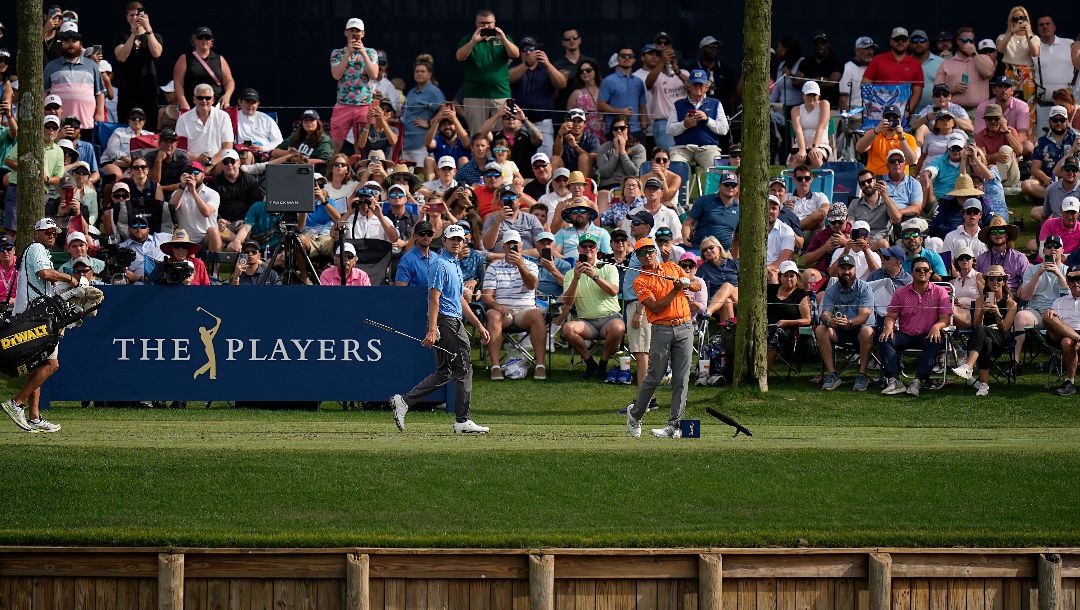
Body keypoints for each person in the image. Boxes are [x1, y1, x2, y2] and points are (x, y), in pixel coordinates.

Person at [391, 224, 491, 434]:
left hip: (452, 321)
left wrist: (479, 325)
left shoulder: (454, 264)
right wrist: (432, 328)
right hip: (447, 323)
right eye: (452, 239)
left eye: (460, 239)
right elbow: (433, 298)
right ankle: (462, 420)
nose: (456, 242)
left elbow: (460, 301)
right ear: (444, 241)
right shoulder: (439, 264)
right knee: (463, 369)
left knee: (445, 372)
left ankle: (404, 401)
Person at [626, 237, 702, 439]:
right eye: (642, 253)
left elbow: (697, 286)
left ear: (656, 252)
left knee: (682, 378)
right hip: (661, 329)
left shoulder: (673, 268)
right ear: (638, 257)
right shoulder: (640, 280)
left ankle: (675, 426)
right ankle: (635, 415)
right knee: (655, 376)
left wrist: (687, 283)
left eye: (650, 250)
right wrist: (676, 290)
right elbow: (656, 307)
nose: (647, 255)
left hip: (685, 327)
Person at [0, 219, 71, 433]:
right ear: (36, 233)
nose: (52, 235)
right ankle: (16, 403)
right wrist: (72, 278)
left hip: (31, 315)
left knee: (40, 365)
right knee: (51, 365)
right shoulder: (38, 248)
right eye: (47, 232)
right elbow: (45, 274)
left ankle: (34, 417)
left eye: (54, 232)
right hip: (36, 318)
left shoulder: (35, 250)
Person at [878, 256, 953, 396]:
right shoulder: (900, 292)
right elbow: (891, 315)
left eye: (925, 269)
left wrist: (937, 326)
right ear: (912, 272)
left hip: (928, 334)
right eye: (918, 269)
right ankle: (894, 380)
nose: (922, 272)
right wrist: (888, 327)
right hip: (906, 335)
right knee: (885, 337)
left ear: (930, 272)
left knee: (935, 339)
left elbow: (945, 319)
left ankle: (918, 381)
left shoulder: (940, 292)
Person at [557, 233, 624, 381]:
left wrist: (595, 276)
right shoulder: (570, 274)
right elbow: (568, 302)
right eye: (584, 246)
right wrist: (576, 278)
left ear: (597, 249)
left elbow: (614, 291)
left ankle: (603, 363)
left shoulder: (608, 267)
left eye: (591, 246)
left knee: (619, 328)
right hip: (586, 321)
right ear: (578, 249)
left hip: (610, 318)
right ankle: (590, 362)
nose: (588, 249)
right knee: (568, 329)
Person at [482, 230, 546, 380]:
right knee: (493, 315)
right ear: (503, 247)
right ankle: (495, 366)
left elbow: (532, 285)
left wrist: (520, 265)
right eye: (509, 245)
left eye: (515, 245)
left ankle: (540, 365)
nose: (512, 247)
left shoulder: (530, 265)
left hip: (525, 311)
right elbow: (487, 295)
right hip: (504, 311)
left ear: (521, 247)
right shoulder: (494, 267)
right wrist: (496, 305)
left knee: (537, 315)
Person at [817, 254, 877, 391]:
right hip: (839, 330)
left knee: (866, 330)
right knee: (821, 329)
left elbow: (864, 316)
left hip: (860, 331)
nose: (846, 272)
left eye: (850, 268)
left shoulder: (865, 288)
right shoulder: (832, 290)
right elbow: (825, 314)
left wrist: (849, 322)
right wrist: (828, 321)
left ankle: (862, 374)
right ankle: (832, 374)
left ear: (855, 269)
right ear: (838, 270)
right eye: (843, 268)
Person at [456, 9, 519, 135]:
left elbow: (515, 54)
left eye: (489, 23)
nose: (486, 26)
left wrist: (504, 39)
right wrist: (474, 41)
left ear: (495, 22)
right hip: (475, 95)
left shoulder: (503, 38)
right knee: (478, 136)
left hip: (501, 94)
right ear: (476, 23)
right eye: (482, 23)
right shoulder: (469, 39)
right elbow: (460, 56)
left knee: (502, 136)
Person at [1012, 235, 1069, 363]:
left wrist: (1059, 274)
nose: (1052, 249)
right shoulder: (1032, 270)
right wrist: (1038, 274)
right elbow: (1025, 297)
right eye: (1048, 247)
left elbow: (1070, 297)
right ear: (1044, 251)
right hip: (1037, 313)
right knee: (1020, 316)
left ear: (1062, 250)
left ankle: (1062, 356)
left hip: (1060, 314)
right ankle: (1015, 361)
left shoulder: (1067, 271)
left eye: (1056, 246)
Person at [3, 116, 65, 235]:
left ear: (58, 130)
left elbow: (58, 178)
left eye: (54, 127)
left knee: (35, 231)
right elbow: (8, 161)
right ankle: (7, 252)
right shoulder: (28, 142)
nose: (51, 130)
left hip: (40, 191)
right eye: (47, 126)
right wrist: (27, 171)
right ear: (41, 128)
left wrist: (46, 178)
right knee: (11, 229)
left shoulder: (59, 151)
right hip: (18, 187)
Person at [509, 37, 565, 158]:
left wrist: (548, 64)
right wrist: (526, 64)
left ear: (537, 50)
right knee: (519, 157)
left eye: (531, 49)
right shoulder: (516, 67)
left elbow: (561, 84)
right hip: (520, 123)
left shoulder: (546, 68)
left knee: (544, 157)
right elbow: (507, 79)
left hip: (543, 123)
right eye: (524, 49)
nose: (528, 52)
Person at [112, 2, 163, 130]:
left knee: (150, 128)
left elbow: (157, 53)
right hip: (127, 92)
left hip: (148, 92)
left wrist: (149, 30)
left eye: (138, 15)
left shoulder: (155, 36)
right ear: (127, 18)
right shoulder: (121, 37)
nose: (135, 18)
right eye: (132, 15)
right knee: (124, 128)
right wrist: (133, 34)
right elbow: (121, 57)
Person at [44, 22, 104, 130]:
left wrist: (100, 113)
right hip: (57, 125)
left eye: (74, 41)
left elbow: (99, 93)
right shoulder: (51, 66)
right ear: (61, 44)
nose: (71, 44)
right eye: (66, 41)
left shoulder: (92, 65)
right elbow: (43, 94)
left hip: (86, 124)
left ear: (80, 44)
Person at [666, 68, 729, 171]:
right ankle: (677, 188)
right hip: (682, 148)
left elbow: (724, 130)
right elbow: (669, 129)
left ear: (707, 87)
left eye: (701, 84)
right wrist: (684, 125)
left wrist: (707, 120)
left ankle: (714, 188)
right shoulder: (678, 104)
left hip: (708, 149)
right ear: (689, 85)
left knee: (716, 170)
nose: (698, 87)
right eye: (695, 84)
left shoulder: (715, 103)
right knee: (675, 167)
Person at [1022, 105, 1080, 205]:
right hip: (1049, 182)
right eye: (1055, 120)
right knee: (1026, 185)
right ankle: (1064, 198)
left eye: (1062, 120)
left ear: (1066, 121)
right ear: (1050, 121)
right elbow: (1035, 169)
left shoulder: (1076, 139)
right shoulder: (1042, 141)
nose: (1059, 123)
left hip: (1073, 179)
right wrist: (1045, 179)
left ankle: (1054, 198)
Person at [861, 27, 925, 117]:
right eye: (897, 39)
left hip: (902, 113)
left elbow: (917, 93)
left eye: (903, 39)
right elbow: (865, 84)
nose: (900, 42)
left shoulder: (915, 65)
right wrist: (872, 107)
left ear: (908, 42)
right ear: (891, 41)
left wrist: (907, 111)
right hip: (877, 111)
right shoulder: (877, 60)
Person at [639, 43, 688, 151]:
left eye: (672, 57)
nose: (670, 60)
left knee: (685, 155)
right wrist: (662, 61)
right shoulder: (657, 75)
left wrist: (677, 72)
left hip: (684, 121)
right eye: (667, 57)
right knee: (669, 154)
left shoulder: (683, 73)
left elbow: (694, 87)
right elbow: (648, 83)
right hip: (664, 123)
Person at [172, 26, 234, 111]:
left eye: (207, 37)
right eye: (200, 37)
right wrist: (183, 102)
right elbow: (178, 82)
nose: (204, 40)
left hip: (215, 106)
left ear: (211, 41)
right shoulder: (185, 58)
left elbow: (229, 81)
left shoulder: (220, 59)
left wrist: (227, 96)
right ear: (195, 40)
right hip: (192, 106)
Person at [766, 260, 812, 373]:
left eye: (792, 276)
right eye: (786, 275)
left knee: (775, 335)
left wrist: (788, 322)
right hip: (766, 324)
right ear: (780, 277)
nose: (789, 279)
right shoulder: (770, 289)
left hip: (786, 329)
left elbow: (807, 319)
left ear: (797, 277)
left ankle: (762, 373)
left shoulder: (801, 295)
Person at [174, 83, 233, 169]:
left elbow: (227, 146)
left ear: (212, 100)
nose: (204, 101)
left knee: (230, 169)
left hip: (217, 163)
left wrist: (212, 163)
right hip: (191, 164)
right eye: (200, 98)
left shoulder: (223, 117)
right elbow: (180, 149)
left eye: (208, 98)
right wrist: (197, 159)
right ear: (194, 99)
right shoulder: (183, 119)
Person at [934, 29, 995, 111]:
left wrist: (973, 53)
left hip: (979, 110)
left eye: (971, 40)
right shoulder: (946, 64)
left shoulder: (984, 58)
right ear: (957, 42)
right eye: (964, 40)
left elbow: (988, 73)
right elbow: (937, 91)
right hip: (953, 110)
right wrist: (952, 90)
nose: (968, 43)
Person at [401, 54, 446, 167]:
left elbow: (444, 108)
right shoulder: (411, 91)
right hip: (406, 141)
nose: (419, 73)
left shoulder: (433, 91)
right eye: (417, 71)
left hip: (421, 142)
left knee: (421, 173)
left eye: (422, 71)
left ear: (429, 74)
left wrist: (430, 122)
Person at [598, 45, 650, 141]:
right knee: (615, 156)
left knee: (639, 156)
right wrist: (620, 112)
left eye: (630, 56)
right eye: (623, 56)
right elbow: (600, 105)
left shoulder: (638, 82)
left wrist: (644, 124)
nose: (627, 58)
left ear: (634, 60)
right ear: (618, 58)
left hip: (636, 130)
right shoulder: (608, 80)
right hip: (614, 130)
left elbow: (642, 105)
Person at [1043, 264, 1080, 395]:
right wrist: (1049, 313)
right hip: (1063, 333)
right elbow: (1052, 323)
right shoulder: (1059, 301)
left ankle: (1069, 382)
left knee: (1069, 343)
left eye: (1079, 279)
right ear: (1068, 283)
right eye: (1072, 280)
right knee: (1049, 316)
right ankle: (1069, 381)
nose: (1076, 283)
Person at [168, 161, 221, 251]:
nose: (192, 175)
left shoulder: (212, 193)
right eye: (188, 172)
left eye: (196, 172)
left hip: (205, 239)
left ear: (203, 175)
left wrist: (193, 192)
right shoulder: (178, 192)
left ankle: (214, 264)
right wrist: (181, 187)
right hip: (184, 240)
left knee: (213, 231)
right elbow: (171, 208)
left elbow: (206, 212)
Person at [855, 104, 919, 176]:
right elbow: (859, 148)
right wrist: (876, 131)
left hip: (899, 179)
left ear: (900, 120)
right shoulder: (873, 134)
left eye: (894, 117)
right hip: (876, 178)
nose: (891, 120)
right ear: (882, 119)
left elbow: (912, 161)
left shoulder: (908, 138)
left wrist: (901, 137)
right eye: (888, 117)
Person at [847, 169, 904, 248]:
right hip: (859, 241)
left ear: (875, 181)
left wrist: (884, 195)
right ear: (860, 186)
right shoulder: (854, 203)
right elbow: (850, 224)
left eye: (869, 181)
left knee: (883, 243)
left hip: (878, 243)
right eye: (862, 183)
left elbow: (897, 219)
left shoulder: (887, 200)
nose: (866, 185)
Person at [995, 7, 1040, 106]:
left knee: (1028, 106)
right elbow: (999, 49)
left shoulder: (1034, 37)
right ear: (1011, 21)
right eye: (1016, 19)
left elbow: (1035, 53)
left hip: (1027, 74)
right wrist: (1012, 32)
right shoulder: (1003, 37)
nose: (1020, 21)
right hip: (1010, 73)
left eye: (1023, 18)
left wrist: (1028, 35)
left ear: (1027, 20)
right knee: (1009, 104)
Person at [974, 104, 1023, 189]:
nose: (993, 122)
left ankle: (998, 179)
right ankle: (997, 179)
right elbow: (981, 159)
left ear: (1002, 119)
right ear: (985, 121)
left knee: (1005, 149)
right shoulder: (979, 136)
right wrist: (995, 157)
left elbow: (1019, 152)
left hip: (1011, 176)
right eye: (990, 119)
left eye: (996, 119)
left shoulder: (1011, 131)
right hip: (990, 175)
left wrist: (1006, 131)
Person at [975, 216, 1029, 291]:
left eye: (1001, 232)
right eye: (993, 232)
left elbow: (1028, 279)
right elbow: (976, 281)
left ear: (1007, 235)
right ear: (989, 236)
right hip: (988, 298)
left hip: (1013, 297)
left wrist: (1022, 286)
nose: (998, 234)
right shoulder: (981, 259)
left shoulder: (1019, 258)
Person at [788, 81, 831, 168]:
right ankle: (794, 181)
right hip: (800, 145)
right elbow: (798, 131)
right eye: (808, 95)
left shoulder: (824, 104)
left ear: (819, 96)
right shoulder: (796, 110)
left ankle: (819, 180)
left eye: (814, 95)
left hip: (821, 145)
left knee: (815, 158)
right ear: (803, 95)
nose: (811, 98)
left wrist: (815, 147)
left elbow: (821, 127)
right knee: (797, 160)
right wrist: (802, 150)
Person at [596, 117, 645, 190]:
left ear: (627, 129)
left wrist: (622, 152)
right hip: (608, 186)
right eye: (615, 129)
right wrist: (616, 153)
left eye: (622, 128)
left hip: (630, 187)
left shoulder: (638, 148)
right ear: (612, 131)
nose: (619, 131)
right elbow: (604, 174)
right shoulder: (604, 148)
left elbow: (634, 173)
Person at [565, 57, 605, 144]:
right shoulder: (576, 93)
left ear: (595, 71)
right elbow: (568, 117)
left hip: (604, 133)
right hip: (583, 137)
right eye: (581, 71)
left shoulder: (604, 90)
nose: (584, 73)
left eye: (588, 70)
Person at [801, 31, 845, 107]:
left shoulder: (836, 60)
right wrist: (823, 79)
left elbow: (832, 83)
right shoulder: (806, 62)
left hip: (830, 106)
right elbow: (797, 82)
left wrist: (811, 82)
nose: (820, 46)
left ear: (828, 44)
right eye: (817, 43)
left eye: (823, 43)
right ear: (813, 45)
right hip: (810, 106)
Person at [553, 108, 599, 176]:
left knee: (584, 157)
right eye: (573, 121)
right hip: (566, 175)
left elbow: (594, 159)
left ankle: (583, 186)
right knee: (555, 158)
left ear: (584, 124)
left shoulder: (592, 139)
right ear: (567, 122)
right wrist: (560, 134)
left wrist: (575, 146)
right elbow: (556, 155)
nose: (576, 124)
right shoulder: (561, 136)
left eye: (579, 121)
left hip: (586, 175)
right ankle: (557, 185)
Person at [235, 88, 284, 152]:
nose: (250, 105)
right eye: (247, 102)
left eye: (253, 102)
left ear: (258, 104)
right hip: (243, 151)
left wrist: (263, 148)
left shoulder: (266, 119)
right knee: (246, 155)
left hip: (265, 152)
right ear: (240, 102)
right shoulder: (232, 118)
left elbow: (279, 141)